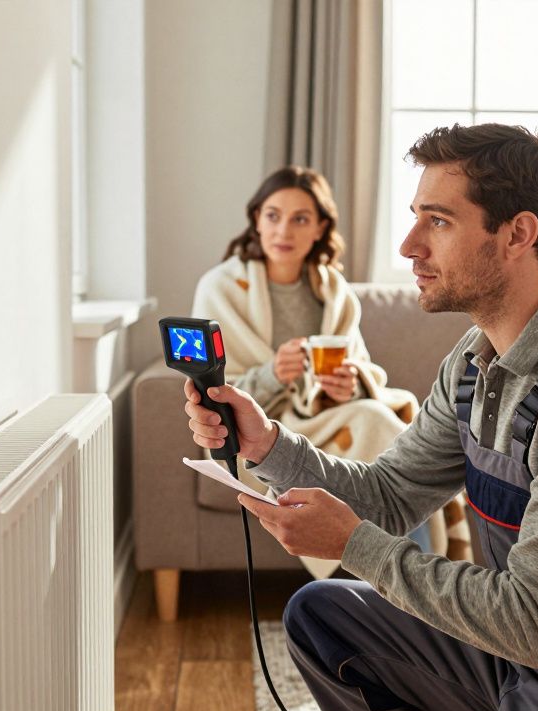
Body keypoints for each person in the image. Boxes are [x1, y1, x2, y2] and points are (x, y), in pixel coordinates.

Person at [181, 124, 538, 711]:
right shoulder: (476, 365)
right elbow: (390, 497)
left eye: (438, 221)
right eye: (415, 218)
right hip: (527, 663)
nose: (408, 245)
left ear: (517, 234)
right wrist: (267, 443)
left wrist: (353, 544)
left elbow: (533, 620)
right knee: (325, 617)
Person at [193, 165, 470, 578]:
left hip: (331, 415)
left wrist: (349, 385)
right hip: (266, 424)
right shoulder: (221, 288)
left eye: (300, 218)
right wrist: (272, 374)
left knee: (375, 420)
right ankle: (419, 579)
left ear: (320, 227)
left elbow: (360, 370)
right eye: (273, 215)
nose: (283, 230)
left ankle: (408, 582)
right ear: (256, 220)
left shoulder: (332, 290)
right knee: (378, 424)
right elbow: (212, 391)